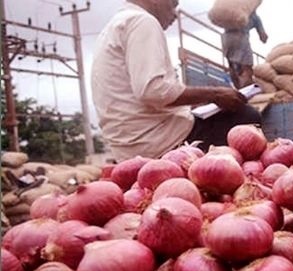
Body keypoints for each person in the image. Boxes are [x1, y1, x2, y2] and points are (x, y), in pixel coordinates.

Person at [91, 0, 262, 162]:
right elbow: (153, 90)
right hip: (161, 142)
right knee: (246, 117)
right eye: (173, 4)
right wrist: (215, 94)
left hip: (129, 147)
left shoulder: (114, 26)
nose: (174, 14)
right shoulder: (142, 22)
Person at [222, 11, 268, 88]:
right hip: (241, 38)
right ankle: (245, 92)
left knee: (232, 66)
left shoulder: (232, 11)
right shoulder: (254, 16)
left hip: (226, 39)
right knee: (247, 68)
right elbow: (263, 37)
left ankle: (238, 89)